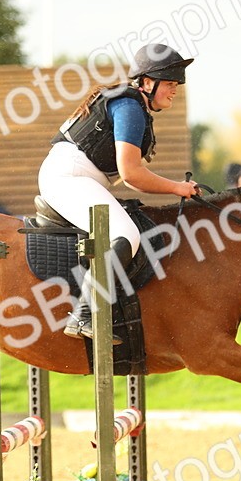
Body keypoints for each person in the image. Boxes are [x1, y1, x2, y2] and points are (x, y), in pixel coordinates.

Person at [38, 43, 198, 342]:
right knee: (126, 236)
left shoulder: (132, 105)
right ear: (147, 82)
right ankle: (84, 314)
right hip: (68, 177)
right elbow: (131, 174)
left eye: (177, 85)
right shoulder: (129, 107)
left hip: (79, 176)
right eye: (170, 84)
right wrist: (178, 187)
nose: (175, 91)